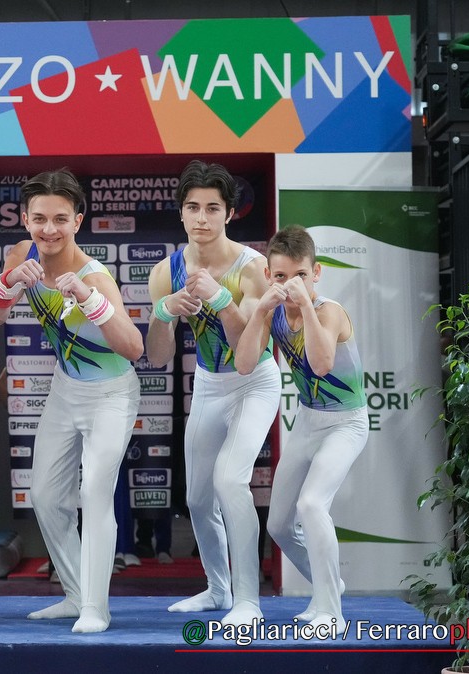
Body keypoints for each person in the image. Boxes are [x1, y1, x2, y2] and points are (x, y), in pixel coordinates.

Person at [0, 169, 142, 633]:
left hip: (110, 394)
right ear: (25, 220)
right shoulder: (21, 255)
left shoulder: (96, 276)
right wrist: (9, 282)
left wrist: (90, 300)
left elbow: (133, 348)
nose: (49, 229)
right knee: (47, 497)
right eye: (39, 219)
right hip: (64, 389)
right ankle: (75, 594)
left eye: (60, 219)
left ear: (77, 221)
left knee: (94, 494)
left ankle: (96, 607)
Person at [145, 160, 280, 626]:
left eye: (212, 208)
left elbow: (251, 351)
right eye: (193, 208)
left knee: (231, 481)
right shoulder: (166, 272)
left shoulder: (253, 268)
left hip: (254, 381)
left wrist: (221, 300)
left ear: (230, 213)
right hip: (208, 384)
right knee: (199, 499)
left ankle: (249, 601)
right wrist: (163, 312)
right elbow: (158, 356)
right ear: (181, 212)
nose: (201, 218)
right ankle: (219, 590)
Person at [234, 226, 367, 630]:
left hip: (346, 424)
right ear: (268, 276)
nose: (290, 285)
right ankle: (328, 588)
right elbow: (244, 364)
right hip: (308, 423)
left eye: (300, 276)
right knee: (278, 525)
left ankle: (331, 612)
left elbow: (321, 364)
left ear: (316, 273)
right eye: (280, 276)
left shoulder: (329, 310)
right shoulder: (272, 311)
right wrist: (260, 310)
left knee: (311, 505)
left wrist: (305, 304)